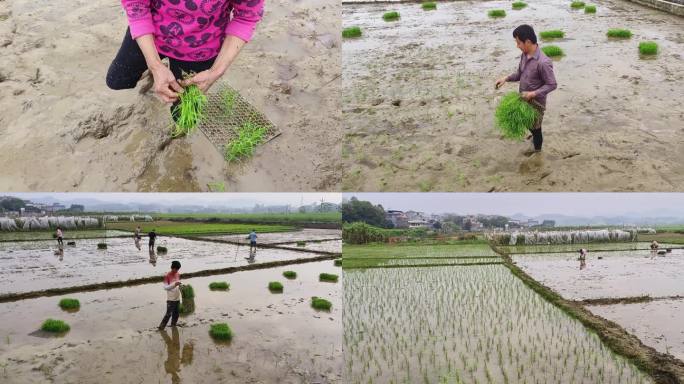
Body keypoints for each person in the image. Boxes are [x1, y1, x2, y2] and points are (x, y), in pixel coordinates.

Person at [107, 0, 265, 117]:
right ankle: (155, 70)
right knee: (117, 80)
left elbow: (245, 17)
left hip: (201, 48)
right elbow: (137, 6)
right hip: (151, 34)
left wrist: (217, 71)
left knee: (183, 115)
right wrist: (154, 65)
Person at [495, 24, 557, 155]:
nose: (517, 46)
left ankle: (538, 152)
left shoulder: (543, 62)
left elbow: (552, 84)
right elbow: (519, 73)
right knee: (528, 124)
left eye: (518, 43)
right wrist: (505, 78)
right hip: (523, 99)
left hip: (536, 104)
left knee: (536, 129)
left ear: (528, 42)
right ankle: (533, 137)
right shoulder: (525, 55)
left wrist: (533, 93)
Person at [159, 260, 182, 330]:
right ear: (172, 267)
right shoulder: (167, 276)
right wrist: (174, 285)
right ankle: (161, 327)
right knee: (168, 314)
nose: (177, 270)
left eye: (178, 269)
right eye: (176, 269)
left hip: (177, 298)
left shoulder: (178, 274)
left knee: (176, 314)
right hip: (171, 299)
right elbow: (165, 287)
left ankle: (173, 325)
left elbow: (177, 284)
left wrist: (181, 286)